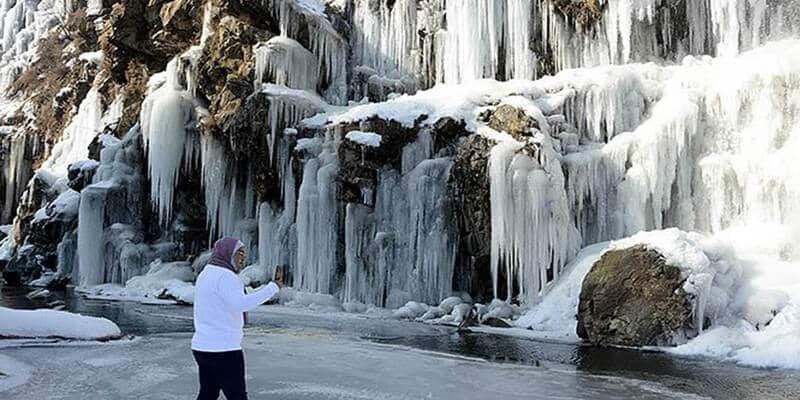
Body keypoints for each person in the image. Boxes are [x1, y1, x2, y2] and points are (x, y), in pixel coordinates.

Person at [191, 237, 283, 400]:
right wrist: (272, 288)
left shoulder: (206, 273)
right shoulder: (226, 276)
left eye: (243, 254)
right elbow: (241, 304)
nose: (243, 258)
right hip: (224, 350)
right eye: (239, 253)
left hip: (202, 347)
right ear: (227, 253)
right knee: (237, 396)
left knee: (208, 393)